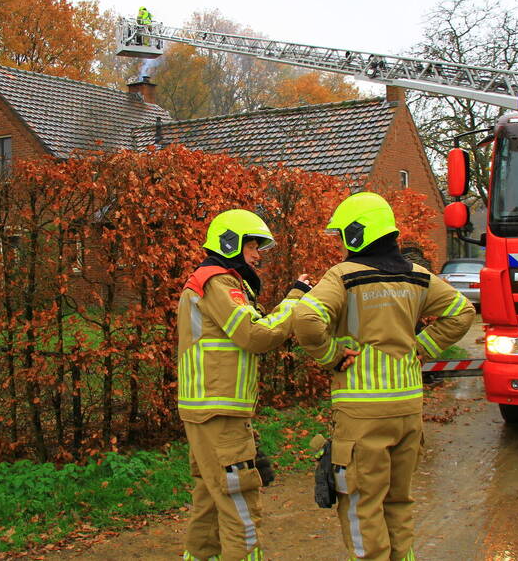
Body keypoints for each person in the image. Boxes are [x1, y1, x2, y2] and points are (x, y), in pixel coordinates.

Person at [293, 192, 475, 561]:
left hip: (362, 414)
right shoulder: (419, 277)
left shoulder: (343, 277)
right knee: (399, 501)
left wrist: (330, 355)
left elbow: (306, 319)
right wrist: (422, 347)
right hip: (407, 408)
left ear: (355, 235)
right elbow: (462, 312)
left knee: (362, 504)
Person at [178, 209, 312, 561]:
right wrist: (296, 300)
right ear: (230, 244)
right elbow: (256, 334)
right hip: (218, 408)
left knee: (211, 496)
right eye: (252, 246)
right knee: (239, 498)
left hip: (208, 408)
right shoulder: (217, 282)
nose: (257, 255)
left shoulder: (217, 283)